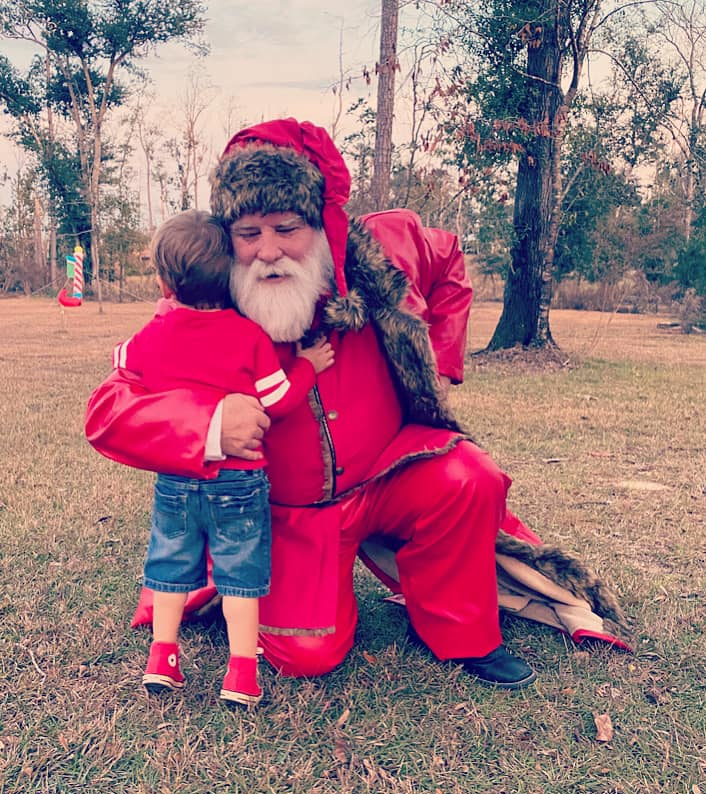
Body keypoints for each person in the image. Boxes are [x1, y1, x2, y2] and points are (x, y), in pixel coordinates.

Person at [86, 119, 631, 690]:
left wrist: (439, 364)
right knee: (307, 655)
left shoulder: (381, 252)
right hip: (291, 515)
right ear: (228, 238)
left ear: (321, 223)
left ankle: (460, 629)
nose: (268, 251)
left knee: (469, 477)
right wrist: (211, 426)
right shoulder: (202, 310)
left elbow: (448, 259)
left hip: (388, 472)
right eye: (248, 233)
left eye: (286, 227)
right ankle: (247, 587)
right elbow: (109, 409)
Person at [96, 209, 334, 705]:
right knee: (240, 574)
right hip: (239, 483)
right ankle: (242, 673)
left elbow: (123, 361)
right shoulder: (249, 337)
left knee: (169, 564)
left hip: (178, 478)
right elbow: (277, 402)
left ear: (165, 284)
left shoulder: (154, 334)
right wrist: (308, 367)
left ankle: (163, 657)